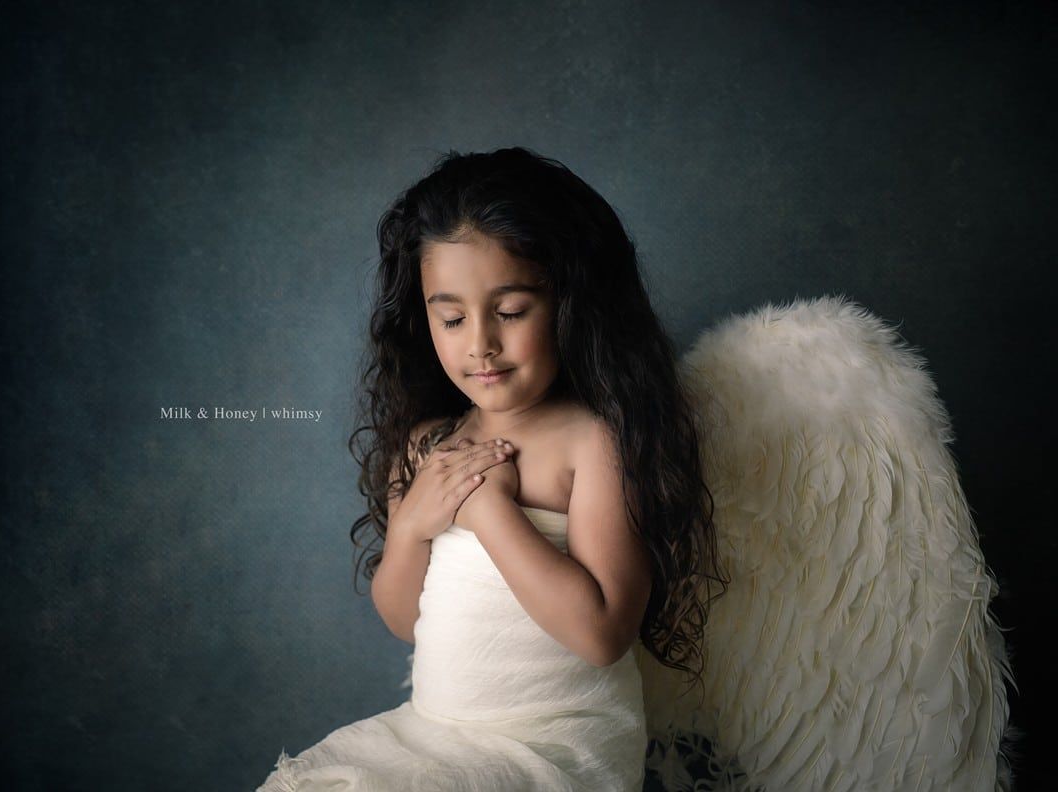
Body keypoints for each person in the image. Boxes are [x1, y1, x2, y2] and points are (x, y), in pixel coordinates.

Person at [257, 146, 725, 791]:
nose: (480, 342)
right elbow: (403, 620)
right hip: (435, 735)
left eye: (509, 311)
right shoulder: (428, 445)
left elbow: (600, 635)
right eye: (451, 317)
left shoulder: (594, 443)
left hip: (553, 749)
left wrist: (489, 510)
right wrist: (412, 528)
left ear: (571, 304)